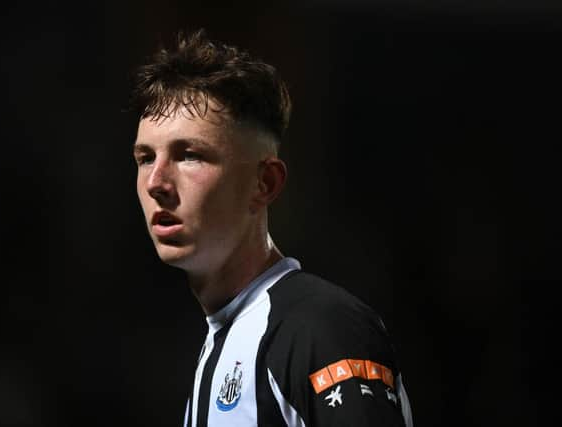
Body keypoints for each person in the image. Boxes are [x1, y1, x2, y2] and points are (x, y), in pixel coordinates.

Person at [130, 28, 413, 427]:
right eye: (145, 157)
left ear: (265, 184)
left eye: (189, 154)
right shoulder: (225, 340)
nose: (156, 181)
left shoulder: (320, 325)